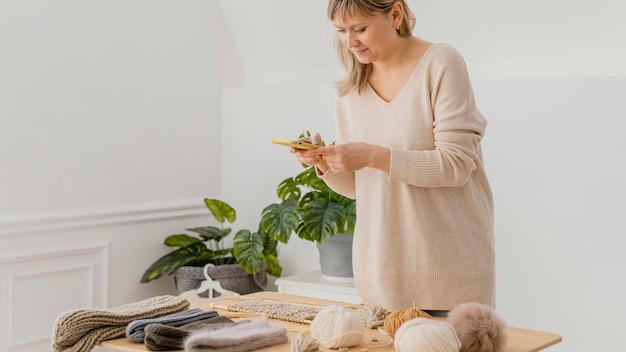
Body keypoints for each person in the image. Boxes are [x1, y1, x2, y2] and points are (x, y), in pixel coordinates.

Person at [292, 0, 494, 314]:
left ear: (395, 14)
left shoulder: (441, 63)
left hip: (451, 277)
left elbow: (455, 166)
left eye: (359, 28)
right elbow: (362, 188)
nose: (350, 41)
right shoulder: (350, 92)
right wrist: (324, 162)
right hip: (381, 281)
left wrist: (373, 155)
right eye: (341, 31)